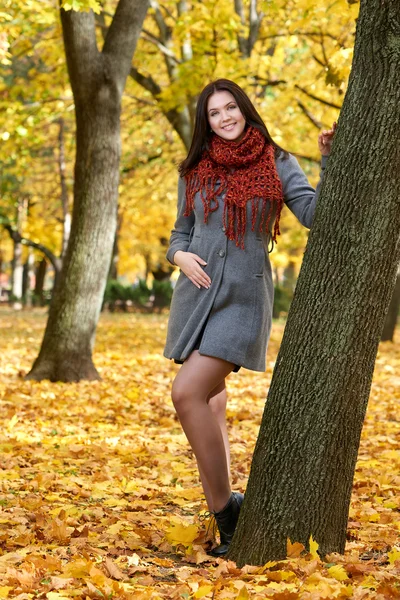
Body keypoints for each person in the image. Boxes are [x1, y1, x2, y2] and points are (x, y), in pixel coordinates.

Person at [163, 79, 336, 557]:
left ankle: (228, 512)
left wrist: (331, 162)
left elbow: (316, 214)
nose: (224, 118)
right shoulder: (195, 171)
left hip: (242, 301)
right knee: (211, 403)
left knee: (187, 393)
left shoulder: (278, 163)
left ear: (245, 109)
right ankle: (226, 519)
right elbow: (179, 234)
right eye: (215, 113)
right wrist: (180, 258)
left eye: (230, 108)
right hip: (195, 301)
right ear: (208, 122)